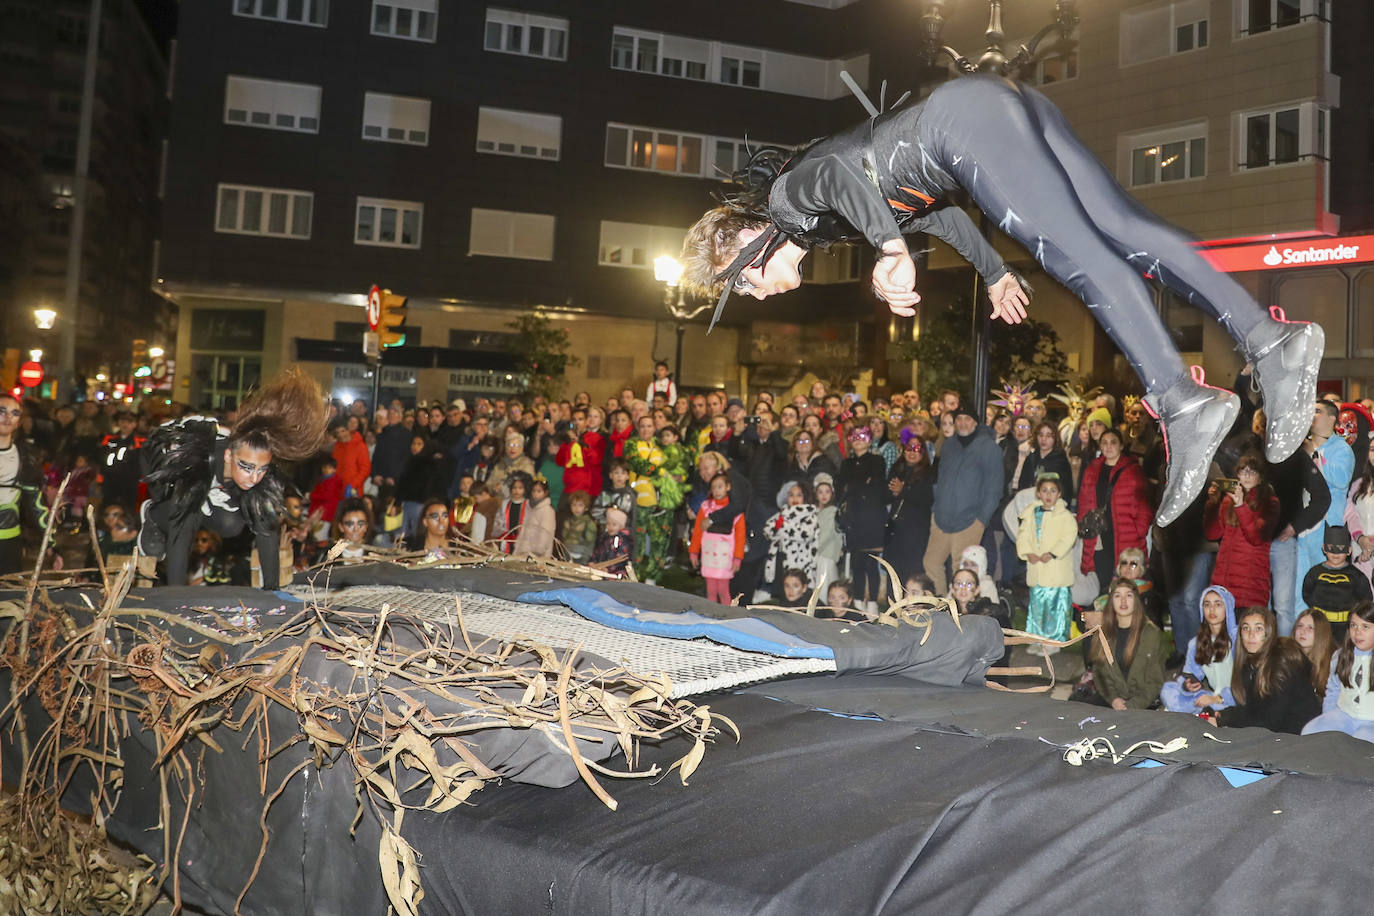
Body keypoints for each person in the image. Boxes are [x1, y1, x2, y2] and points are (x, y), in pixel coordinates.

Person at [680, 74, 1322, 529]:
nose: (756, 293)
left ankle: (1184, 400)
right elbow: (940, 220)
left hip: (963, 124)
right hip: (991, 107)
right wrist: (990, 273)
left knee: (1080, 258)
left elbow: (837, 178)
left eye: (743, 283)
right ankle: (1270, 339)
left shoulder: (793, 200)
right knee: (1126, 230)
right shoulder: (821, 222)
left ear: (749, 244)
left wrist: (887, 252)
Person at [139, 369, 327, 590]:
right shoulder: (200, 463)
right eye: (246, 467)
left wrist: (272, 591)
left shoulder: (257, 471)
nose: (254, 477)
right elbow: (181, 534)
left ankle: (208, 500)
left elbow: (267, 532)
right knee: (189, 513)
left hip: (215, 479)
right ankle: (152, 515)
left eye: (262, 469)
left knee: (232, 524)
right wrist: (176, 593)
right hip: (164, 463)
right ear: (229, 456)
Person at [923, 406, 1003, 594]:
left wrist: (981, 520)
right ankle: (942, 607)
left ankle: (962, 613)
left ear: (976, 422)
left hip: (970, 520)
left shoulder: (989, 447)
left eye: (967, 419)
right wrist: (936, 509)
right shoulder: (949, 445)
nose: (962, 423)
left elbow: (995, 489)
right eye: (959, 419)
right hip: (942, 519)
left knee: (960, 569)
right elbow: (940, 478)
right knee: (931, 563)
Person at [1206, 607, 1319, 734]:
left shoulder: (1282, 663)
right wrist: (1221, 715)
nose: (1251, 635)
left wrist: (1224, 721)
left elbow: (1269, 721)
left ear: (1269, 633)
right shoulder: (1249, 664)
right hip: (1275, 729)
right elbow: (1251, 709)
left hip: (1301, 733)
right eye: (1246, 628)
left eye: (1258, 628)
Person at [1071, 578, 1167, 710]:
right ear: (1111, 602)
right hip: (1112, 699)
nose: (1123, 601)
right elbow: (1099, 674)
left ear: (1136, 601)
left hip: (1142, 702)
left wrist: (1132, 705)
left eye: (1128, 595)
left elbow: (1156, 680)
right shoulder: (1103, 632)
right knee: (1075, 706)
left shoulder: (1151, 634)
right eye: (1117, 596)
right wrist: (1114, 700)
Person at [1297, 401, 1355, 614]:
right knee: (1298, 589)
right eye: (1310, 410)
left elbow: (1340, 479)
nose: (1312, 414)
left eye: (1318, 411)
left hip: (1326, 528)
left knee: (1323, 590)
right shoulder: (1300, 447)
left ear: (1332, 419)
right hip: (1300, 527)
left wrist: (1315, 454)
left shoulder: (1342, 449)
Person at [1076, 430, 1152, 587]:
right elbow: (1083, 501)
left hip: (1127, 534)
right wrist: (1082, 524)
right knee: (1103, 582)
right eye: (1104, 442)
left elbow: (1145, 505)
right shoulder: (1092, 470)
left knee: (1128, 584)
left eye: (1113, 442)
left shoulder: (1133, 471)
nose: (1108, 446)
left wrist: (1139, 530)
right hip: (1099, 536)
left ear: (1121, 445)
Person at [1203, 453, 1279, 608]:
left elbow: (1256, 537)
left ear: (1260, 476)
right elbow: (1212, 534)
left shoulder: (1269, 502)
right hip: (1223, 581)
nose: (1247, 476)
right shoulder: (1228, 501)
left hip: (1250, 583)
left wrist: (1240, 506)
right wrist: (1213, 503)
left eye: (1252, 472)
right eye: (1243, 472)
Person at [1016, 474, 1076, 648]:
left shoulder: (1065, 516)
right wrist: (1027, 553)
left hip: (1056, 572)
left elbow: (1068, 536)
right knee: (1037, 606)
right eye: (1044, 490)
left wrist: (1053, 553)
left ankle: (1054, 640)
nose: (1048, 495)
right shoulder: (1030, 513)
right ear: (1038, 493)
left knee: (1055, 607)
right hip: (1037, 571)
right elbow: (1023, 535)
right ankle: (1036, 639)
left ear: (1059, 494)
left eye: (1053, 491)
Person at [1303, 602, 1374, 742]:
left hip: (1371, 722)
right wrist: (1328, 716)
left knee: (1360, 744)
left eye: (1365, 627)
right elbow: (1333, 690)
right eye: (1354, 625)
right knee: (1310, 732)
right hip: (1344, 714)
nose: (1357, 632)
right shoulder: (1340, 655)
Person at [1160, 586, 1237, 714]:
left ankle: (1214, 710)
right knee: (1168, 689)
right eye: (1207, 605)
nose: (1212, 609)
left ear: (1227, 608)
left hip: (1236, 696)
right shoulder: (1196, 643)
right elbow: (1190, 673)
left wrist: (1218, 698)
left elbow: (1246, 683)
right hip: (1211, 696)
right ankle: (1208, 710)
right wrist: (1188, 685)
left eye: (1218, 604)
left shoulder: (1237, 639)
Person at [837, 426, 890, 610]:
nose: (858, 439)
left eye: (862, 436)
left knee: (871, 562)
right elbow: (842, 488)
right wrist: (860, 484)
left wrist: (854, 486)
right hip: (853, 519)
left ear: (869, 440)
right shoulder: (847, 463)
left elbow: (875, 484)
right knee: (857, 562)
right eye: (854, 436)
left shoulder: (877, 460)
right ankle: (858, 600)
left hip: (872, 518)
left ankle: (873, 601)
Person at [1301, 525, 1372, 644]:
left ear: (1349, 550)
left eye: (1340, 547)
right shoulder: (1314, 572)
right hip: (1320, 625)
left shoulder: (1357, 575)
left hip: (1345, 628)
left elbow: (1366, 599)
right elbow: (1306, 593)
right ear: (1324, 548)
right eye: (1330, 547)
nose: (1335, 552)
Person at [689, 472, 745, 604]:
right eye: (713, 487)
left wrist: (737, 558)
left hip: (725, 557)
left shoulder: (735, 510)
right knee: (711, 591)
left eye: (720, 486)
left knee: (723, 590)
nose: (717, 490)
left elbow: (740, 536)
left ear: (728, 487)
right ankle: (711, 616)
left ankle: (726, 616)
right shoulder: (706, 507)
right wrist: (693, 552)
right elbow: (698, 531)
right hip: (709, 556)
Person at [885, 435, 934, 584]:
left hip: (915, 530)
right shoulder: (897, 468)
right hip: (895, 528)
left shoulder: (929, 472)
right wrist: (892, 492)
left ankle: (912, 605)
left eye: (917, 448)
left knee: (912, 571)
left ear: (923, 452)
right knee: (892, 570)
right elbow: (886, 494)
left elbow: (927, 498)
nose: (912, 452)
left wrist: (903, 490)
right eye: (909, 448)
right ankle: (892, 604)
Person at [764, 480, 819, 594]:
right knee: (782, 591)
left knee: (798, 593)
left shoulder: (809, 515)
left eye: (799, 495)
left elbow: (805, 534)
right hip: (780, 558)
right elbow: (768, 529)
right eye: (791, 495)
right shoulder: (783, 513)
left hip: (800, 562)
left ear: (806, 497)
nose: (794, 498)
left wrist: (781, 526)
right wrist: (780, 528)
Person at [98, 410, 144, 515]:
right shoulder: (109, 439)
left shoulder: (140, 441)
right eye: (122, 421)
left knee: (128, 506)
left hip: (129, 480)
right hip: (110, 478)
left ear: (135, 424)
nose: (125, 425)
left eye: (129, 422)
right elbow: (102, 458)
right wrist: (101, 477)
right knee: (108, 504)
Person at [1294, 607, 1335, 699]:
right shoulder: (1287, 658)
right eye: (1300, 626)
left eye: (1310, 628)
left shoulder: (1333, 663)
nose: (1302, 632)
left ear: (1321, 633)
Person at [513, 478, 556, 558]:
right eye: (534, 491)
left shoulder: (547, 510)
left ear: (545, 492)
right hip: (523, 550)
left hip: (537, 554)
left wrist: (538, 551)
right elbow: (523, 528)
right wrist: (518, 545)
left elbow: (546, 532)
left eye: (539, 491)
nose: (535, 494)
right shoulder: (528, 506)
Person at [562, 490, 597, 564]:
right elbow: (564, 538)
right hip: (567, 555)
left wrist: (586, 558)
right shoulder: (568, 521)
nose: (576, 508)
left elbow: (590, 543)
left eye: (580, 505)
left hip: (582, 557)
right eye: (574, 505)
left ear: (586, 507)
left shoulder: (589, 523)